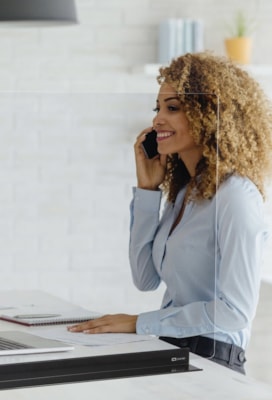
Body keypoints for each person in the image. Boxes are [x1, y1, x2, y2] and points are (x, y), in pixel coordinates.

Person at [68, 52, 272, 374]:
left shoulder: (235, 196)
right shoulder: (185, 194)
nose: (157, 120)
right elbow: (145, 278)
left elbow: (235, 312)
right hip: (174, 349)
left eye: (172, 108)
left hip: (213, 362)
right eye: (158, 108)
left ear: (209, 114)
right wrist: (147, 191)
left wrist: (140, 323)